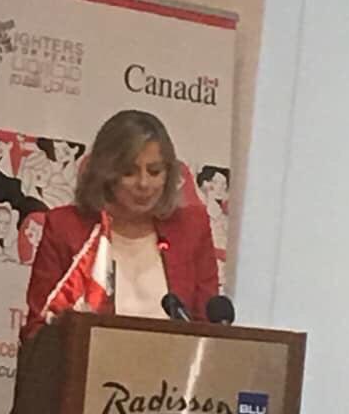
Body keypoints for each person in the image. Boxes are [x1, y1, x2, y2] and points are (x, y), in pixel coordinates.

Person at [24, 109, 218, 336]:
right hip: (92, 357)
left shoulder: (191, 228)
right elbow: (36, 331)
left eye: (155, 171)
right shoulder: (65, 228)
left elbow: (208, 330)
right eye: (129, 172)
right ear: (105, 174)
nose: (144, 183)